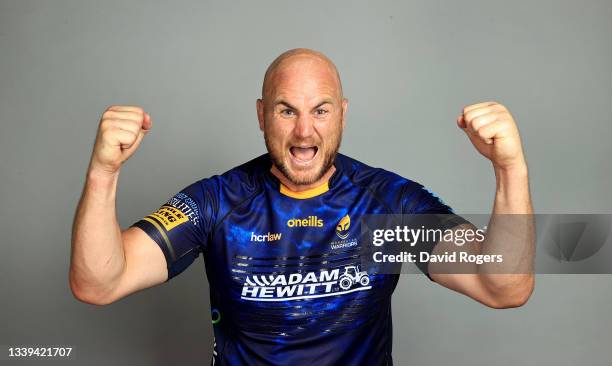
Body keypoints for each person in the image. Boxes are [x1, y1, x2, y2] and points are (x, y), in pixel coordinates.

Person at [70, 48, 535, 365]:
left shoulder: (385, 207)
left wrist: (509, 169)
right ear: (261, 114)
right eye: (286, 110)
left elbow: (502, 287)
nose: (304, 133)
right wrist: (103, 173)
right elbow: (99, 282)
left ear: (343, 115)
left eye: (321, 110)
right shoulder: (218, 203)